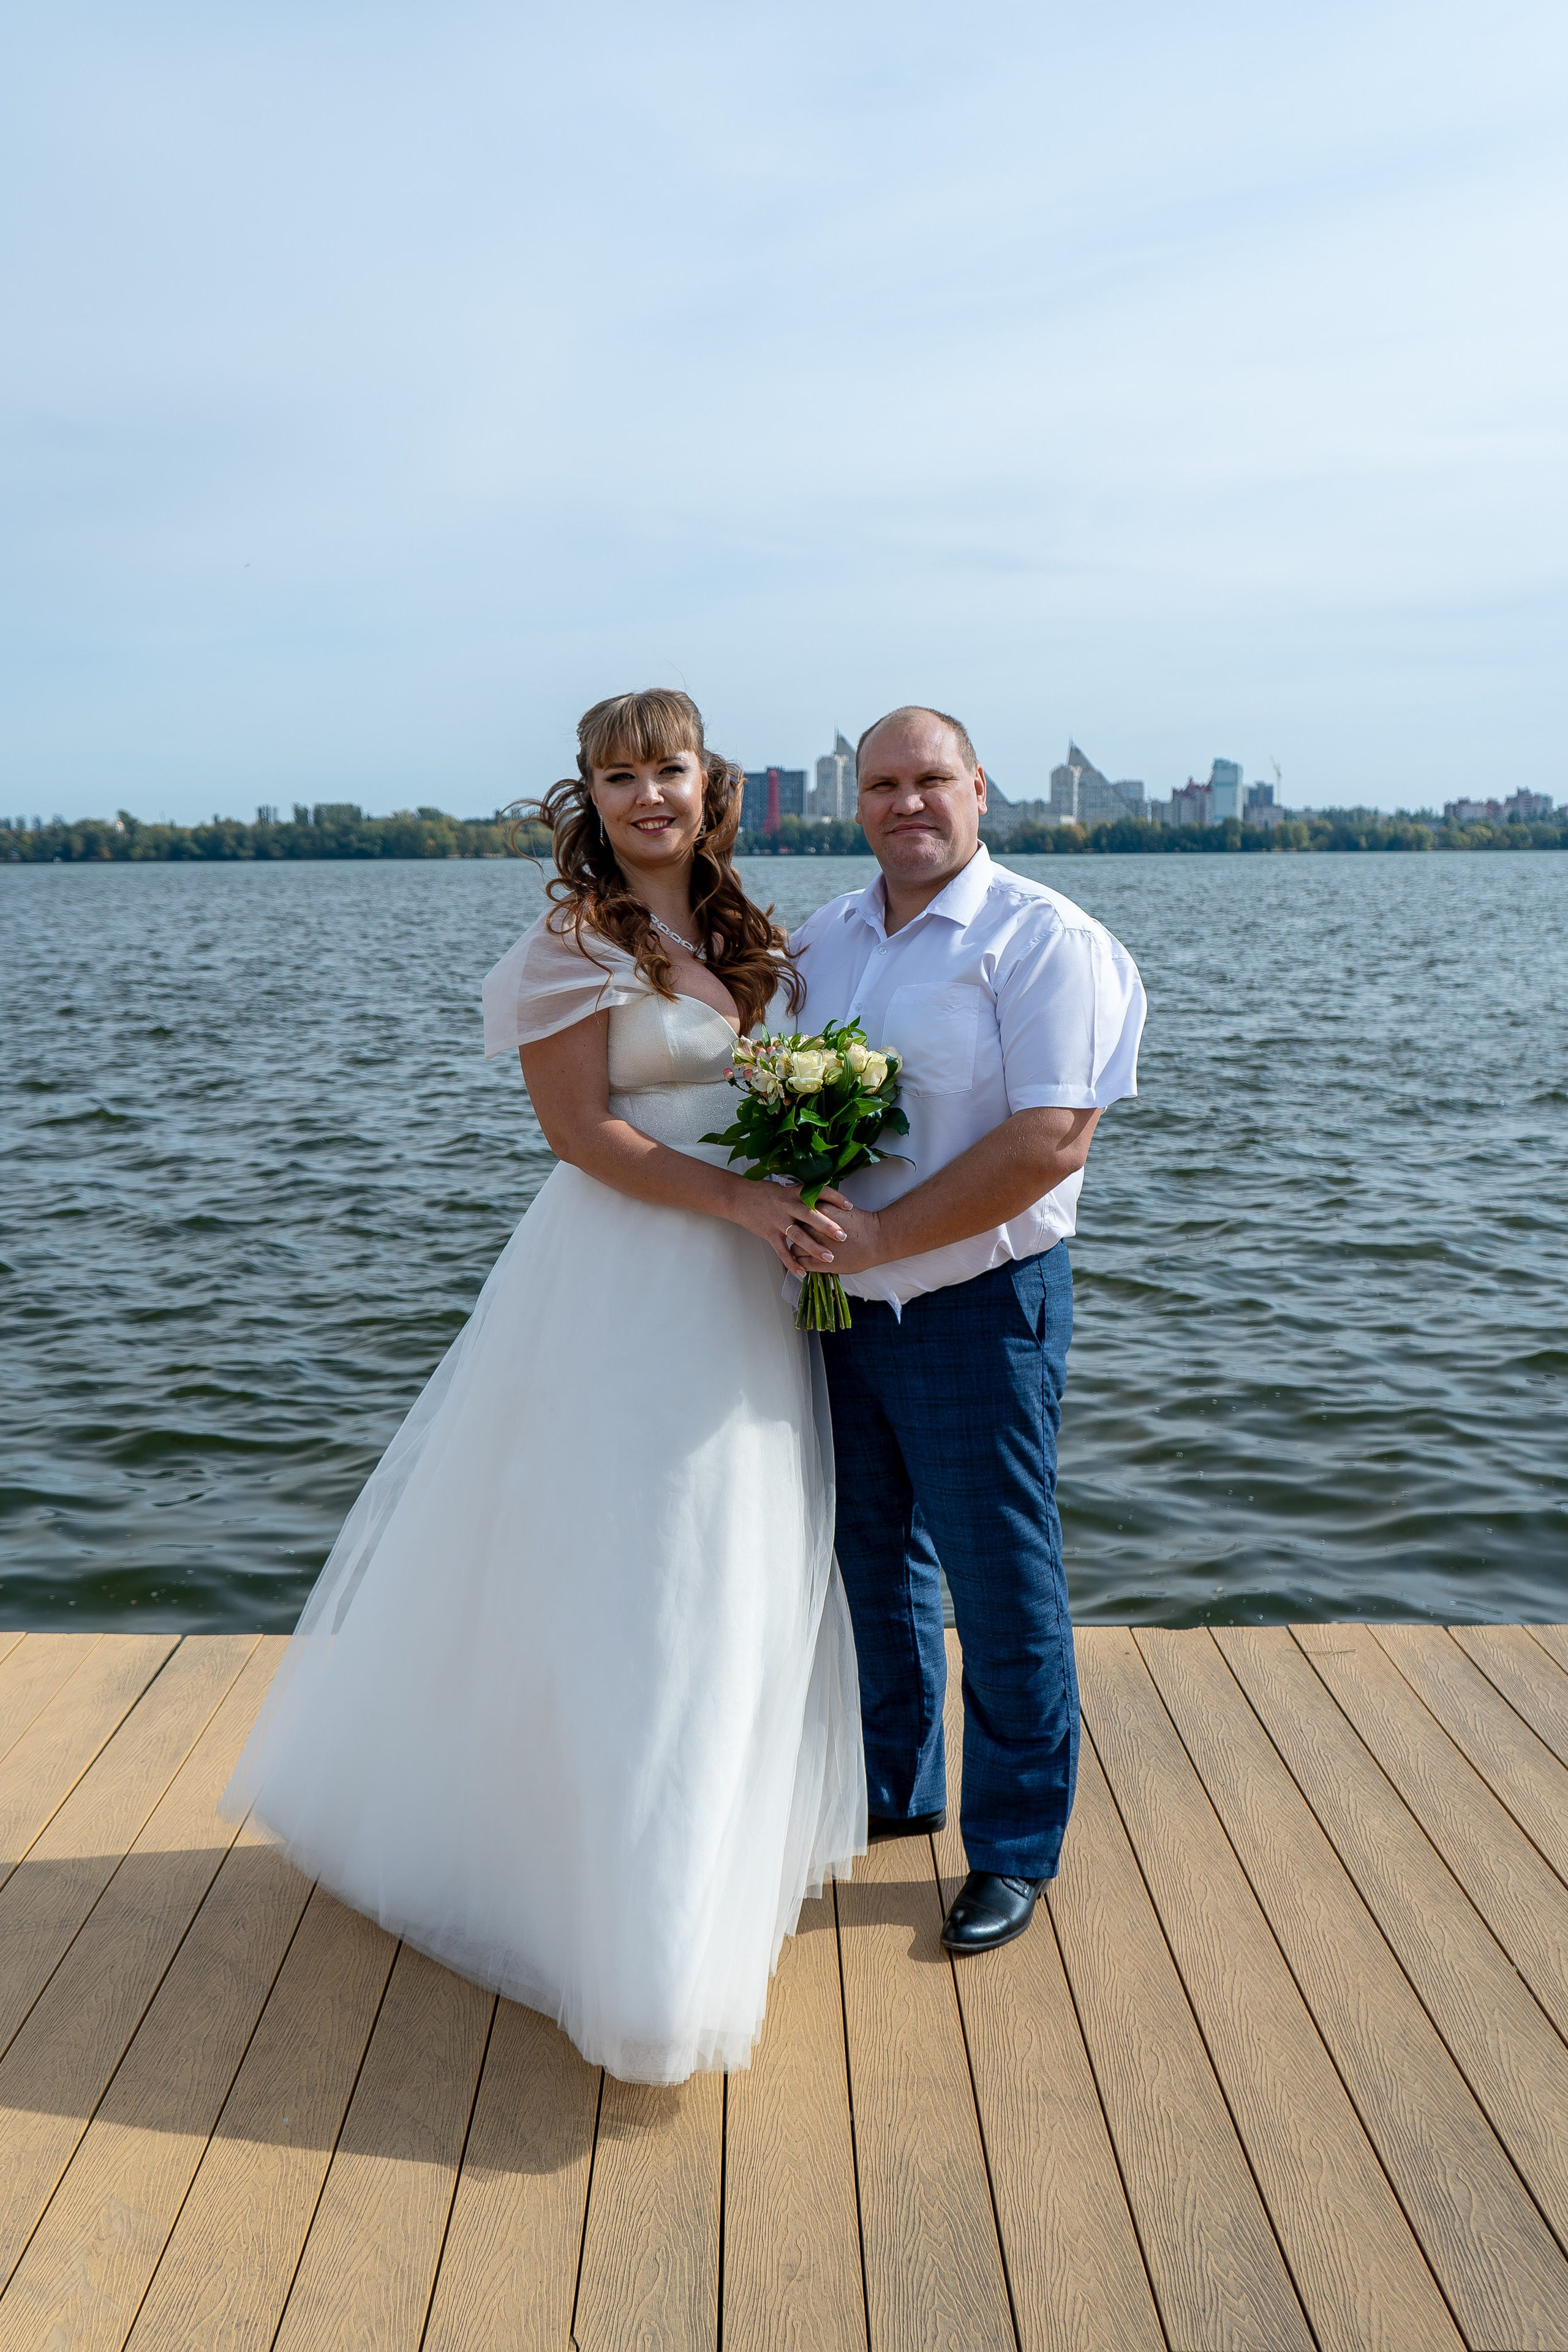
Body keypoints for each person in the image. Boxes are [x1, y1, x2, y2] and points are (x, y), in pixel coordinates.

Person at [221, 689, 866, 2084]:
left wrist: (797, 1180)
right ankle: (630, 1941)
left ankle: (699, 1862)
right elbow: (580, 1135)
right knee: (638, 1566)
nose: (647, 796)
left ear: (711, 785)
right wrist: (749, 1201)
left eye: (669, 769)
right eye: (618, 775)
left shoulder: (745, 933)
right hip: (630, 1280)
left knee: (738, 1556)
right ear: (588, 793)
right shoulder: (572, 943)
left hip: (744, 1287)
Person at [782, 705, 1145, 1954]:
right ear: (856, 801)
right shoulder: (821, 939)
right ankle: (895, 1787)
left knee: (998, 1580)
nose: (904, 804)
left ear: (979, 791)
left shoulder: (1043, 941)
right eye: (879, 783)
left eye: (928, 780)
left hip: (979, 1308)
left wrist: (887, 1240)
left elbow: (1051, 1141)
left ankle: (1012, 1847)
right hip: (832, 1311)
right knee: (869, 1563)